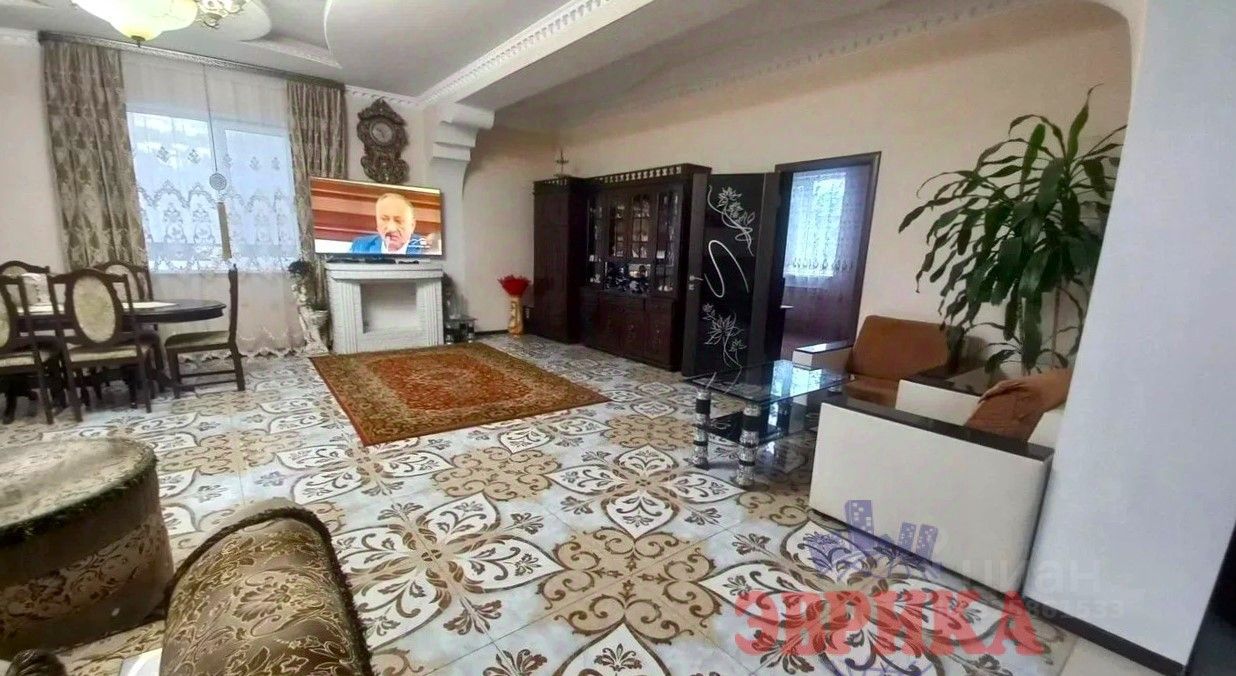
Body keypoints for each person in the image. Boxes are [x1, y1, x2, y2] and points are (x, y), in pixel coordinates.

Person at [349, 192, 436, 254]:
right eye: (384, 219)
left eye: (398, 221)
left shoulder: (427, 248)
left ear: (412, 225)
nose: (391, 228)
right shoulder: (359, 246)